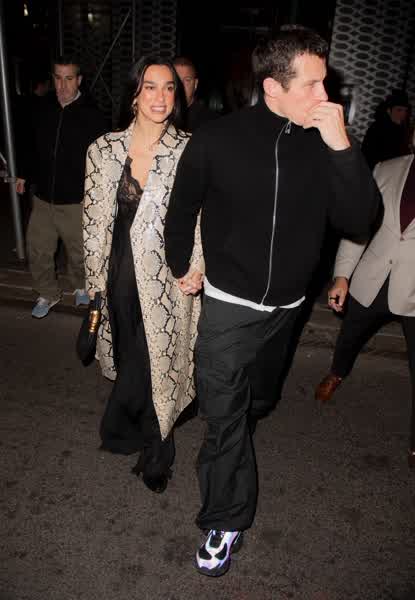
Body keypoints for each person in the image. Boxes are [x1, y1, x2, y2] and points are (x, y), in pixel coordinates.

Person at [164, 25, 379, 577]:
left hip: (287, 311)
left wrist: (342, 147)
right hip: (228, 308)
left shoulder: (328, 143)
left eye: (325, 83)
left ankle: (238, 429)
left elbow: (360, 220)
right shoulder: (217, 139)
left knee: (256, 403)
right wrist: (181, 263)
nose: (325, 96)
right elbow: (181, 208)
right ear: (272, 88)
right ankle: (225, 517)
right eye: (312, 85)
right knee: (223, 416)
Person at [83, 56, 203, 494]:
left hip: (169, 278)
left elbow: (204, 217)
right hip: (118, 276)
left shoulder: (191, 149)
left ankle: (157, 453)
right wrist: (94, 285)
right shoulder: (103, 149)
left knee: (158, 365)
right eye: (150, 86)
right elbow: (92, 223)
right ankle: (129, 426)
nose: (160, 97)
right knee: (132, 358)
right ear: (134, 93)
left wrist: (197, 266)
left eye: (169, 87)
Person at [315, 136, 415, 468]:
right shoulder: (386, 169)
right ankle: (336, 373)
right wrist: (342, 275)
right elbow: (361, 227)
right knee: (349, 337)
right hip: (372, 279)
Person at [15, 56, 107, 318]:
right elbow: (30, 145)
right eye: (57, 78)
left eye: (69, 78)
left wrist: (97, 194)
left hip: (76, 199)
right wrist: (23, 174)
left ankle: (80, 284)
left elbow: (102, 159)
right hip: (43, 196)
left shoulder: (93, 116)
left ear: (79, 80)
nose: (62, 85)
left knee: (78, 252)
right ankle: (48, 293)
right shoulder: (42, 109)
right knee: (38, 248)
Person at [361, 89, 411, 170]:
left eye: (405, 111)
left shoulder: (402, 129)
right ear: (388, 111)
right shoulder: (378, 128)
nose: (403, 114)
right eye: (399, 110)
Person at [173, 56, 217, 132]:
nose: (181, 86)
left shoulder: (211, 122)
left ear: (195, 84)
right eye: (176, 80)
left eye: (187, 80)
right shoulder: (160, 117)